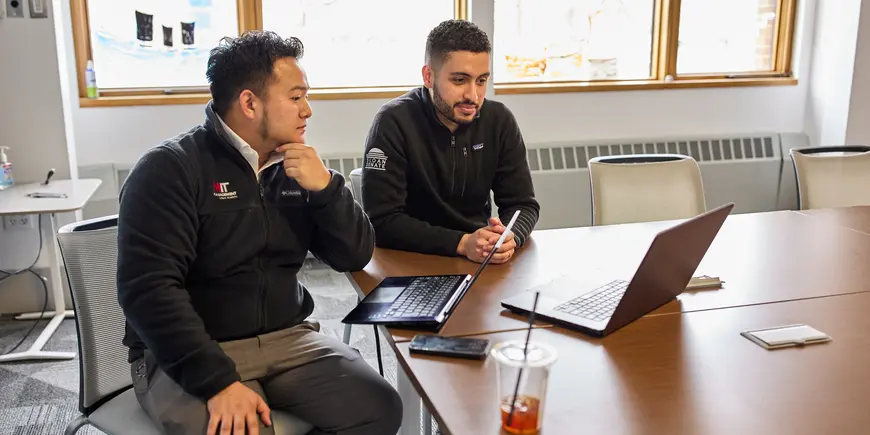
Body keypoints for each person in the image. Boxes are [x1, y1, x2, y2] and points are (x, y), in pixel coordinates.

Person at [116, 31, 402, 435]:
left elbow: (354, 256)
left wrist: (327, 190)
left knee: (380, 407)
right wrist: (218, 382)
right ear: (250, 103)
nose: (308, 111)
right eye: (296, 97)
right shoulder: (170, 170)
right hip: (191, 350)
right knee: (243, 430)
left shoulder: (297, 169)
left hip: (288, 339)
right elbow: (147, 291)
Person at [361, 19, 540, 264]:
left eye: (481, 80)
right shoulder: (393, 121)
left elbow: (523, 205)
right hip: (409, 258)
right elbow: (382, 222)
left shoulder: (499, 121)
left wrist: (510, 236)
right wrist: (462, 243)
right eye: (459, 80)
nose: (473, 95)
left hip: (478, 258)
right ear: (428, 76)